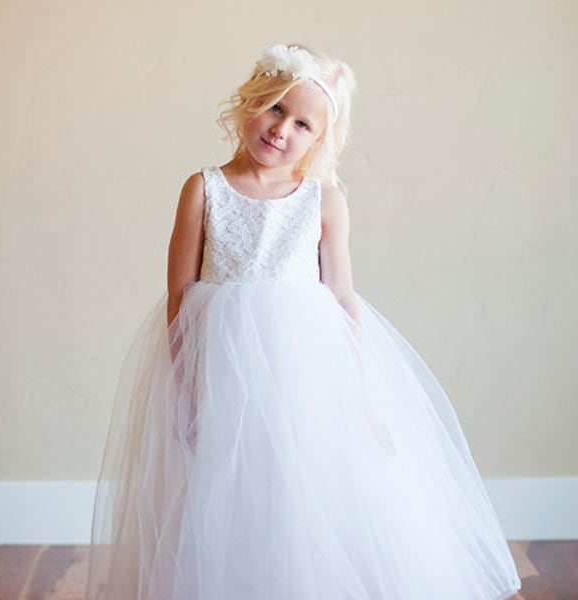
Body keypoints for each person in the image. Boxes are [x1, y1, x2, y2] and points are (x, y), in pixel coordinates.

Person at [85, 43, 522, 600]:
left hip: (302, 369)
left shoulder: (322, 200)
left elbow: (340, 295)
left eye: (302, 123)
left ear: (319, 139)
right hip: (223, 368)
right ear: (250, 102)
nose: (281, 129)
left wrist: (358, 386)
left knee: (302, 482)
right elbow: (180, 293)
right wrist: (184, 383)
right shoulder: (203, 189)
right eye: (273, 108)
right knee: (227, 484)